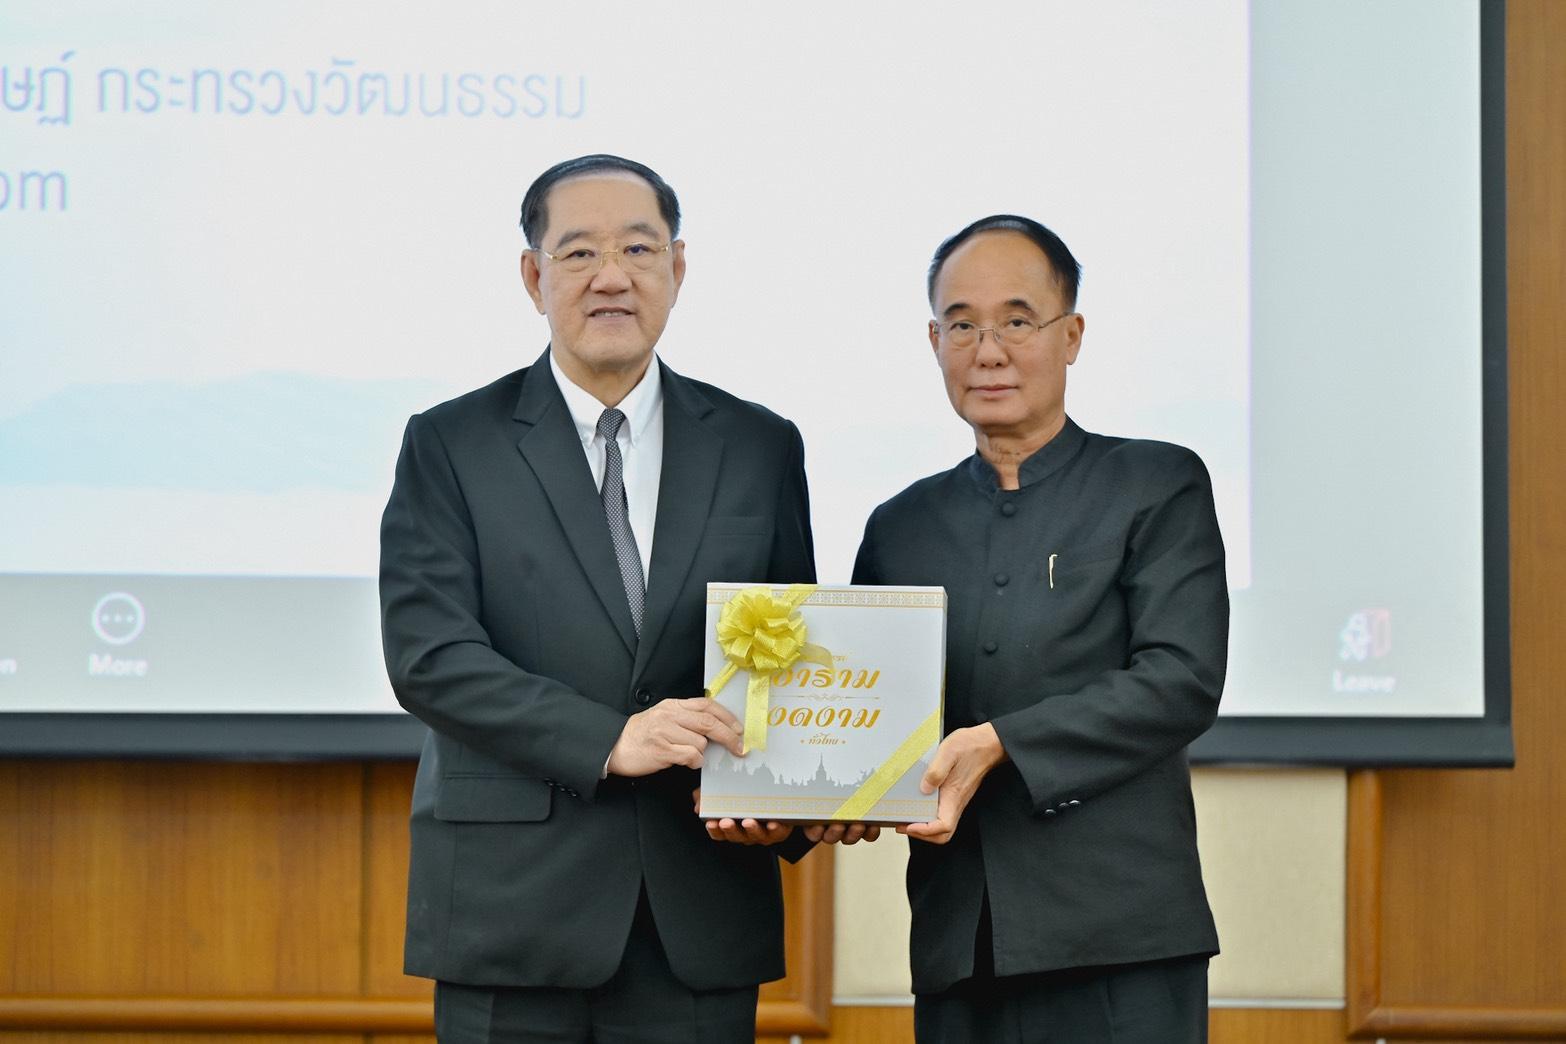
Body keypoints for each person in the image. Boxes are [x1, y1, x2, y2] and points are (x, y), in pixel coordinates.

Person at [379, 154, 818, 1043]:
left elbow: (787, 655)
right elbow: (431, 657)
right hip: (512, 911)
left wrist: (787, 803)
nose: (611, 277)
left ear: (677, 268)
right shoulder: (452, 443)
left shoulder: (758, 445)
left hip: (698, 907)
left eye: (638, 249)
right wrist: (611, 739)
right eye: (579, 253)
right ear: (532, 276)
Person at [852, 215, 1228, 1042]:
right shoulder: (900, 526)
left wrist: (1000, 743)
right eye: (961, 326)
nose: (988, 351)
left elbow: (1182, 680)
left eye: (1017, 321)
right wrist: (800, 795)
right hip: (960, 943)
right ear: (934, 341)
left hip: (1122, 939)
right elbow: (866, 715)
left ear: (1072, 335)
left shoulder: (1156, 483)